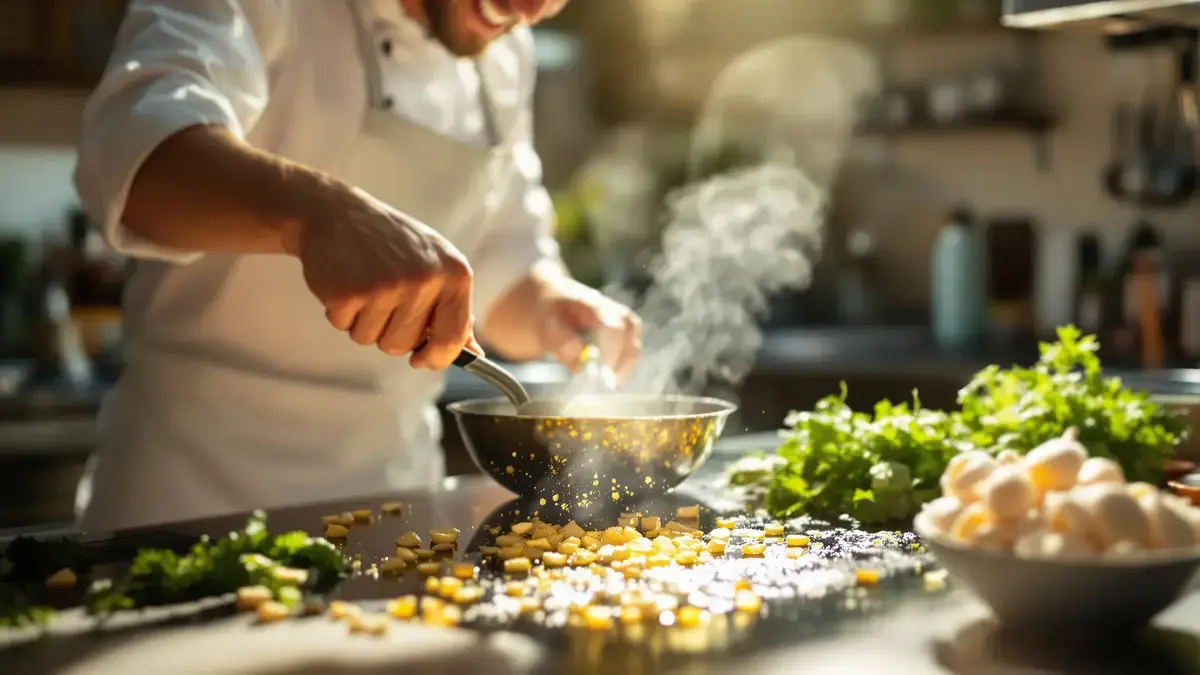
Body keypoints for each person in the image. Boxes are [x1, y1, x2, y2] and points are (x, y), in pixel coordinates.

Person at [73, 0, 643, 534]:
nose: (532, 10)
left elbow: (503, 258)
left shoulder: (505, 56)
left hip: (395, 504)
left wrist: (551, 307)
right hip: (192, 496)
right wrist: (318, 214)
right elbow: (132, 158)